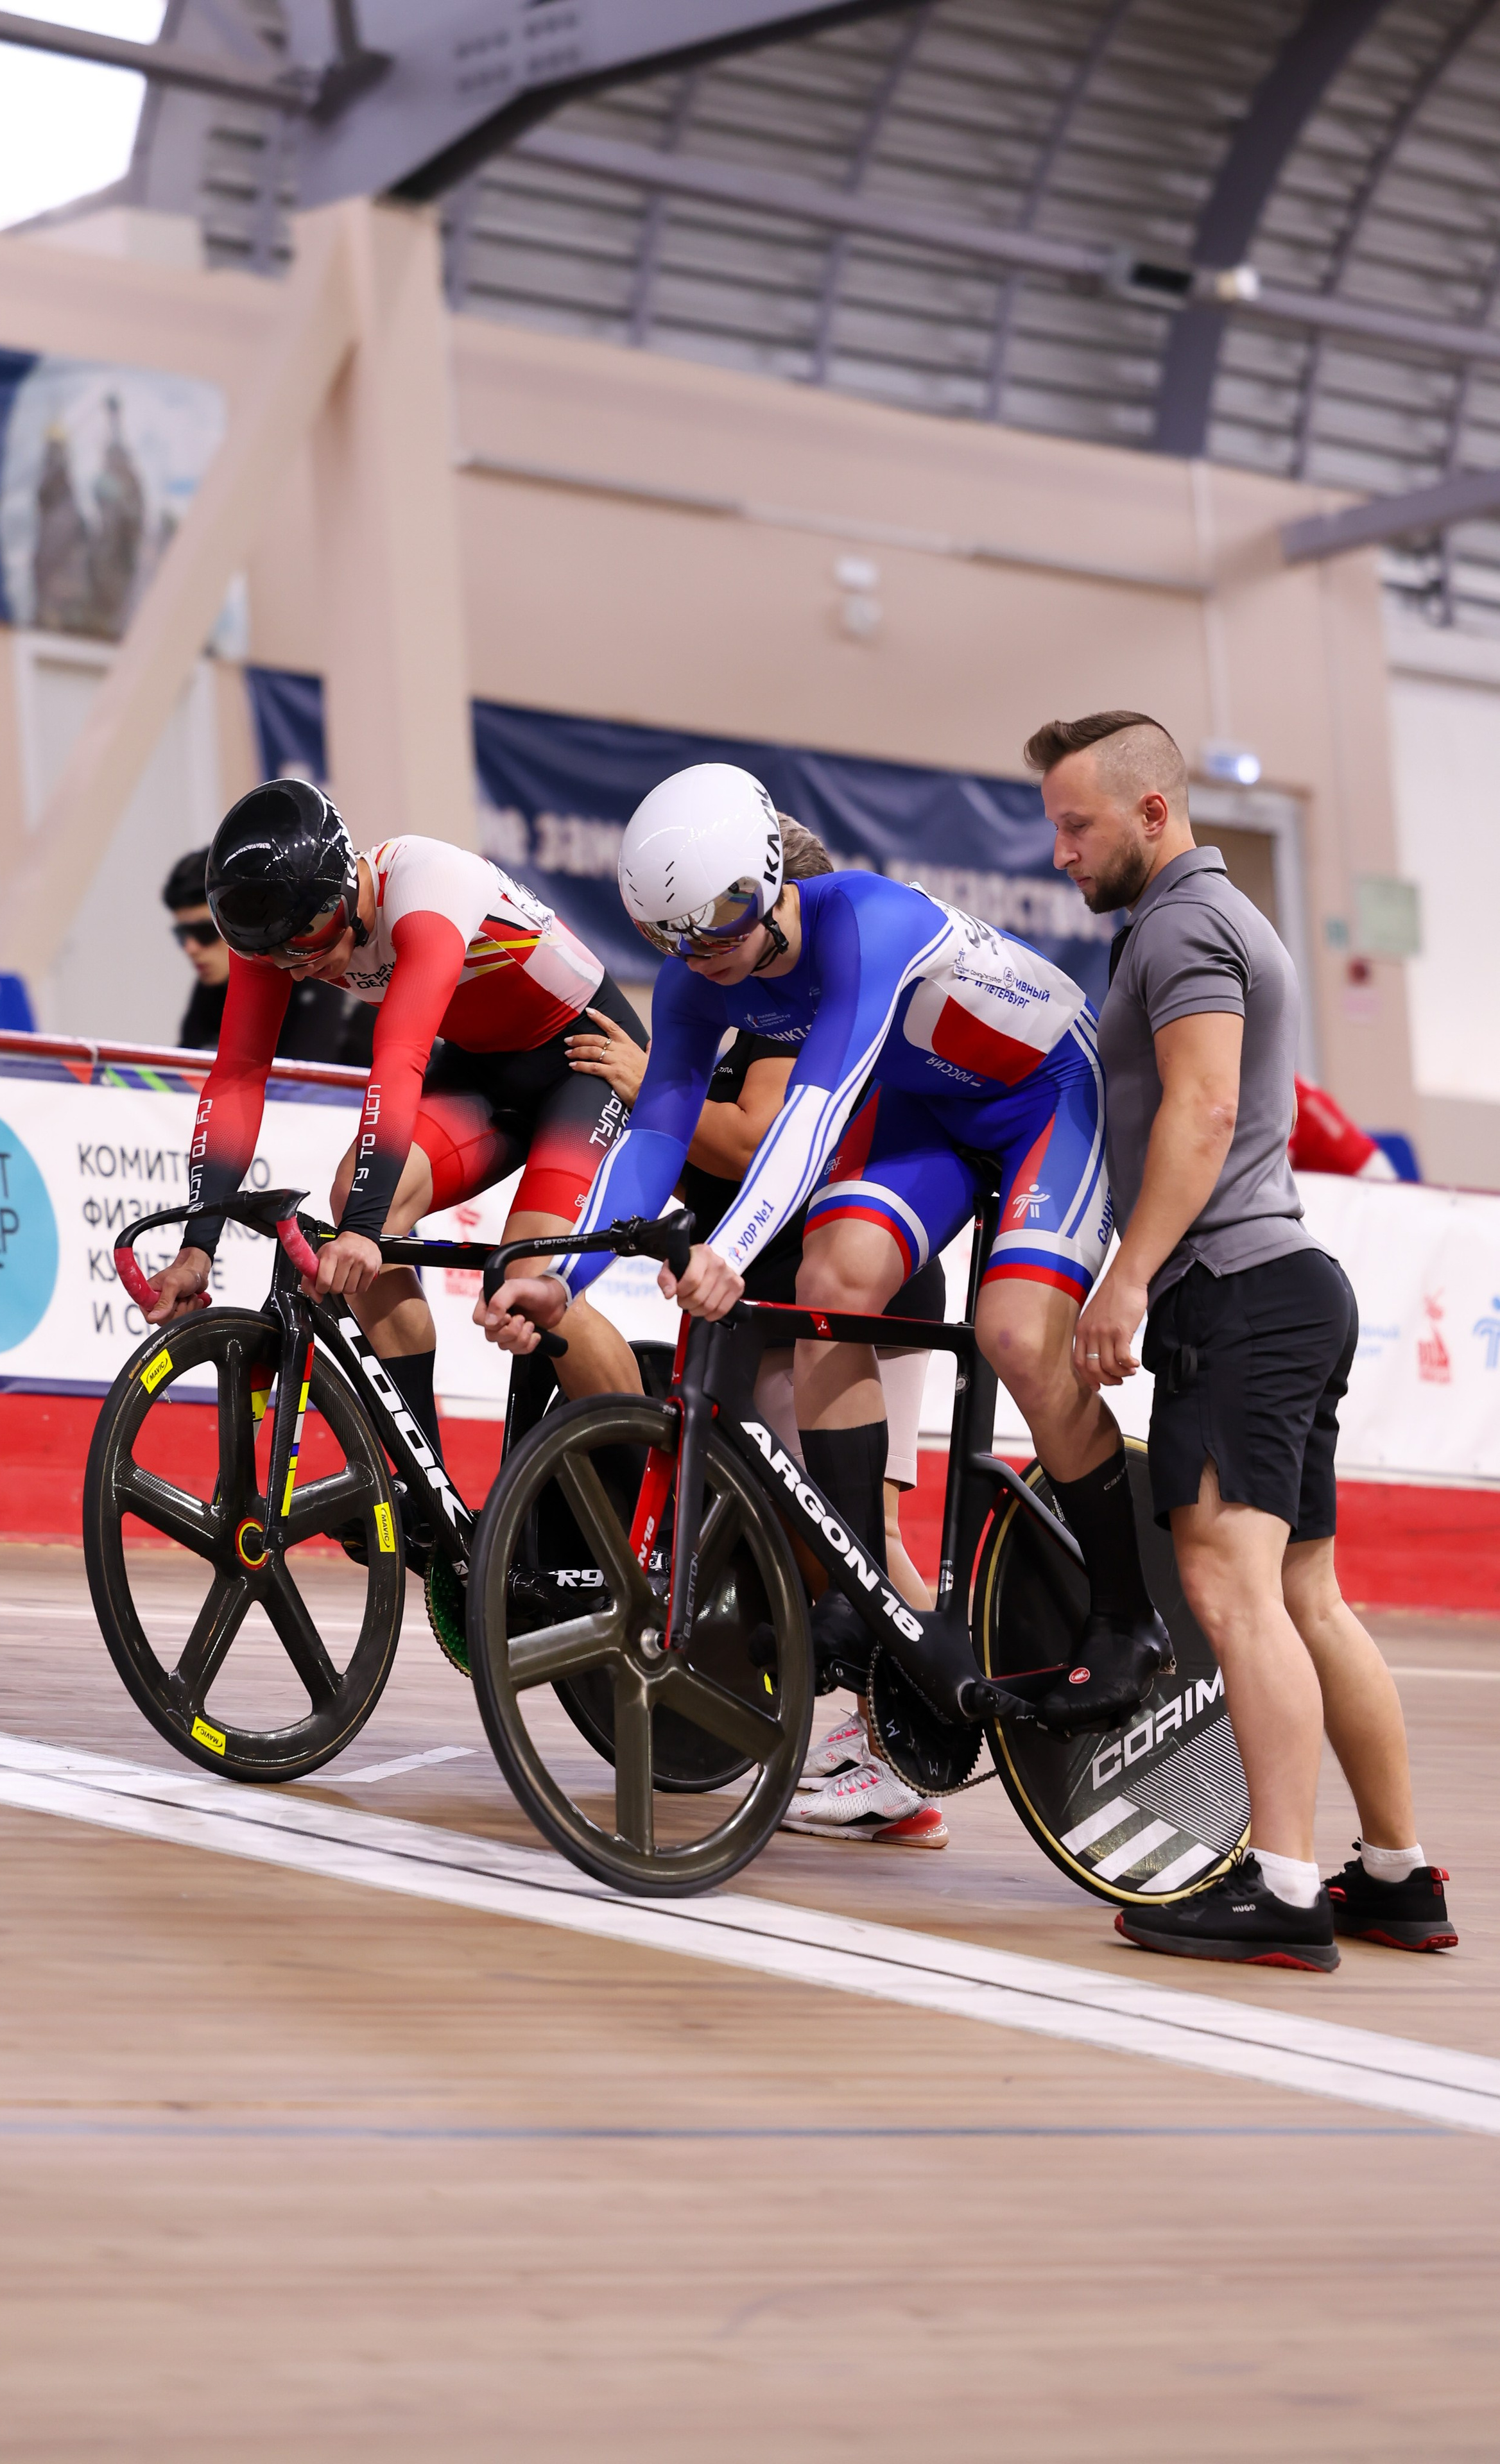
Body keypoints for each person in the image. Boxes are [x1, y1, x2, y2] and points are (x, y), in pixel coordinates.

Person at [479, 761, 1170, 1745]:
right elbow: (656, 1135)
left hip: (1046, 1096)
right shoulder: (696, 972)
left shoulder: (864, 922)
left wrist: (725, 1246)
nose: (698, 955)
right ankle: (858, 1590)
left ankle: (1127, 1616)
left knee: (1017, 1338)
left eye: (718, 924)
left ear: (767, 879)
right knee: (829, 1280)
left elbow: (810, 1116)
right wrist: (564, 1277)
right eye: (668, 937)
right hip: (930, 1111)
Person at [1037, 708, 1455, 1970]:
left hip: (1232, 1293)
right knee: (1304, 1597)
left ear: (1152, 811)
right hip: (1283, 1286)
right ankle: (1392, 1878)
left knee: (1228, 1591)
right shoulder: (1207, 920)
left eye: (1075, 824)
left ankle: (1279, 1889)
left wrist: (1127, 1278)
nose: (1058, 852)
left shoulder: (1179, 924)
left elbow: (1205, 1107)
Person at [566, 819, 950, 1849]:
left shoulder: (802, 1003)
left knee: (860, 1528)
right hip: (790, 1290)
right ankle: (874, 1740)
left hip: (854, 1284)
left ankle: (905, 1749)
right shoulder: (735, 997)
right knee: (816, 1527)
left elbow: (758, 1145)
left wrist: (649, 1082)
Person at [143, 783, 649, 1460]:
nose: (296, 971)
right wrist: (196, 1246)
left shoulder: (428, 885)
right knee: (358, 1193)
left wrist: (363, 1232)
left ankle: (649, 1505)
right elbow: (237, 1076)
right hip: (484, 1074)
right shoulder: (278, 933)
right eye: (277, 960)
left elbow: (401, 1057)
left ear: (342, 888)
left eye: (308, 945)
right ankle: (421, 1488)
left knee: (524, 1279)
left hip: (583, 1065)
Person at [162, 846, 353, 1063]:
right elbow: (185, 1073)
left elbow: (302, 1085)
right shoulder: (211, 986)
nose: (191, 948)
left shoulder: (312, 970)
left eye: (204, 932)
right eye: (182, 934)